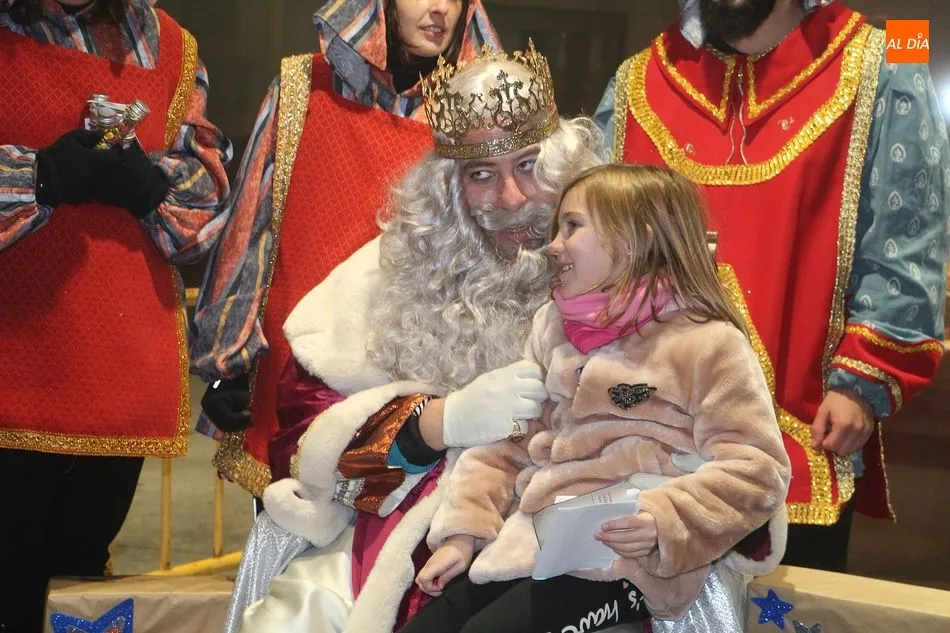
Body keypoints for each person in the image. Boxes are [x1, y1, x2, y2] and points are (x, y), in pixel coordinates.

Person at [222, 43, 605, 633]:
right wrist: (434, 425)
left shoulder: (626, 273)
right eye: (481, 175)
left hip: (571, 535)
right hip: (400, 543)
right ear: (448, 187)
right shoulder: (384, 275)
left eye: (529, 166)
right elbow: (300, 450)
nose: (509, 200)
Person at [594, 0, 949, 572]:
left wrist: (864, 379)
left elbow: (909, 238)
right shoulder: (636, 79)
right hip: (647, 446)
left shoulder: (891, 56)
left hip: (807, 438)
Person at [403, 163, 791, 633]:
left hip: (628, 563)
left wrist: (662, 521)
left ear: (636, 239)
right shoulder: (551, 327)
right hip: (531, 545)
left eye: (572, 226)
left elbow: (757, 469)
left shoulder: (706, 341)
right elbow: (510, 442)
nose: (553, 245)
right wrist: (464, 533)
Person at [191, 0, 501, 497]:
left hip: (418, 379)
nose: (440, 9)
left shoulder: (477, 116)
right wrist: (227, 360)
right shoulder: (303, 88)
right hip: (299, 376)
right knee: (291, 532)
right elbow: (251, 224)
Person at [0, 0, 231, 629]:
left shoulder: (169, 44)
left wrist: (151, 187)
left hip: (115, 377)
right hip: (13, 365)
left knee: (77, 586)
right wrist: (38, 175)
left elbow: (205, 210)